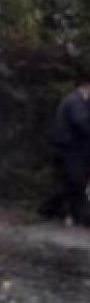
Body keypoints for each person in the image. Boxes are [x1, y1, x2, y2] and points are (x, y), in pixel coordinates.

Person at [38, 73, 90, 225]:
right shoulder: (76, 101)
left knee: (65, 184)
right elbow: (83, 123)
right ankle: (83, 219)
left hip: (70, 150)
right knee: (76, 182)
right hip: (69, 150)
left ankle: (47, 210)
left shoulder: (79, 101)